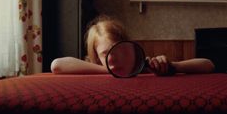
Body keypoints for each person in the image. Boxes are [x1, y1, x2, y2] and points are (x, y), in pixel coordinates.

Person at [50, 15, 215, 76]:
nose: (115, 58)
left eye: (120, 49)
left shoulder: (144, 67)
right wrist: (107, 70)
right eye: (105, 53)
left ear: (131, 48)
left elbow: (208, 65)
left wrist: (172, 66)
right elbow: (57, 65)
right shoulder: (93, 68)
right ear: (96, 57)